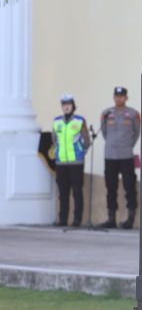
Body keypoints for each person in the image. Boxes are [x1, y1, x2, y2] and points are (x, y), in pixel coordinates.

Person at [98, 86, 140, 229]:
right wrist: (113, 144)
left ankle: (130, 219)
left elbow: (136, 132)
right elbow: (104, 132)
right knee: (111, 187)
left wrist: (127, 145)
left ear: (126, 98)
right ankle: (111, 219)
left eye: (121, 96)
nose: (119, 98)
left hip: (126, 155)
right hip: (110, 155)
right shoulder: (106, 113)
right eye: (117, 96)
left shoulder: (133, 114)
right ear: (113, 97)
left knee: (129, 186)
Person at [51, 94, 91, 227]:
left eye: (68, 104)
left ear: (73, 106)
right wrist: (58, 152)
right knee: (63, 193)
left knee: (77, 192)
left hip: (76, 163)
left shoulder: (80, 121)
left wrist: (80, 152)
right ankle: (63, 219)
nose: (66, 107)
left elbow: (86, 141)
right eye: (64, 104)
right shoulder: (56, 121)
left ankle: (77, 220)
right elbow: (54, 140)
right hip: (61, 163)